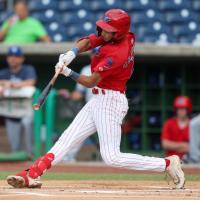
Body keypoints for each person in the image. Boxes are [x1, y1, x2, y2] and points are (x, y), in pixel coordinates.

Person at [7, 9, 185, 189]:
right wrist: (72, 53)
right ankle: (32, 174)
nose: (104, 33)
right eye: (105, 29)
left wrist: (67, 71)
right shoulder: (121, 35)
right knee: (65, 140)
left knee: (111, 157)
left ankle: (168, 164)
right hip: (98, 100)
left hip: (111, 102)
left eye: (109, 30)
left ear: (118, 32)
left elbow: (91, 82)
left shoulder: (117, 54)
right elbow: (91, 40)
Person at [0, 46, 37, 155]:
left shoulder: (28, 69)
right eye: (11, 56)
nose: (13, 58)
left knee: (27, 126)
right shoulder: (4, 72)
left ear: (22, 59)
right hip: (11, 111)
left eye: (16, 56)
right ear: (7, 58)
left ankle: (31, 157)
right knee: (15, 147)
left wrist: (11, 84)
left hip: (26, 110)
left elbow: (31, 82)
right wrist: (4, 84)